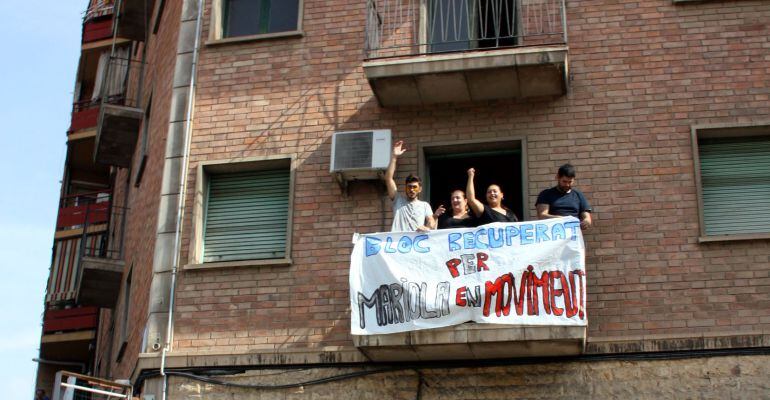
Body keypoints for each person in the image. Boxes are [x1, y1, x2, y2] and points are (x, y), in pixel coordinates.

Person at [384, 140, 435, 232]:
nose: (411, 190)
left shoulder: (424, 205)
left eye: (414, 187)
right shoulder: (398, 200)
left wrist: (427, 227)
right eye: (409, 187)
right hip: (398, 244)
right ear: (405, 188)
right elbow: (388, 178)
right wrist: (394, 157)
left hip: (416, 244)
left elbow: (431, 221)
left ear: (420, 189)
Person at [536, 163, 592, 229]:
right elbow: (542, 216)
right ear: (557, 177)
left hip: (573, 234)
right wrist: (562, 220)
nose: (567, 185)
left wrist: (586, 221)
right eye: (564, 181)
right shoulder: (546, 194)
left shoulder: (578, 195)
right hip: (554, 233)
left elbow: (586, 216)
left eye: (570, 182)